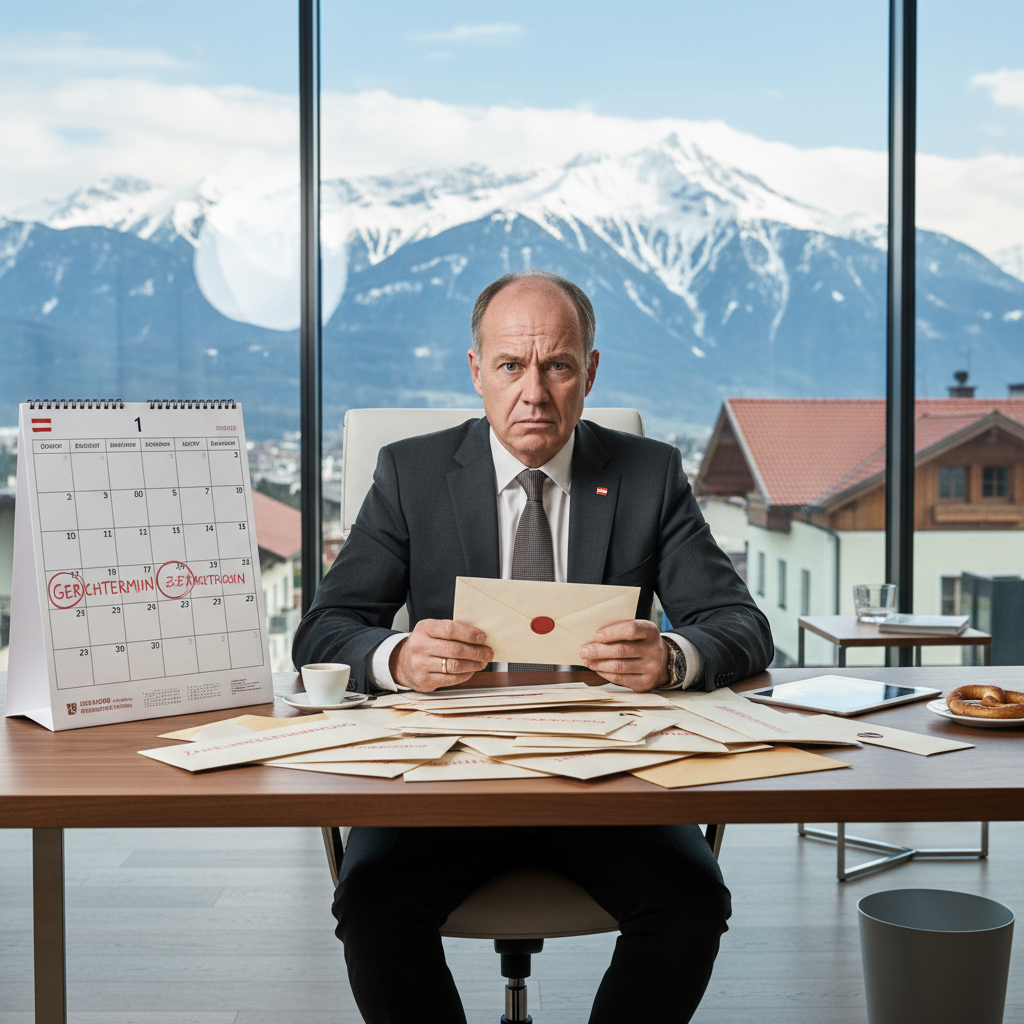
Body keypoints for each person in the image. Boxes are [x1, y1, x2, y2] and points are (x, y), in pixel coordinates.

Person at [293, 270, 773, 1024]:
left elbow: (740, 625)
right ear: (477, 371)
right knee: (373, 901)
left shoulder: (648, 475)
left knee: (691, 902)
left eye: (558, 366)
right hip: (449, 775)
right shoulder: (410, 473)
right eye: (512, 366)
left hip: (607, 781)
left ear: (591, 372)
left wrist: (673, 657)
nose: (535, 393)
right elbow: (325, 628)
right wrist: (397, 657)